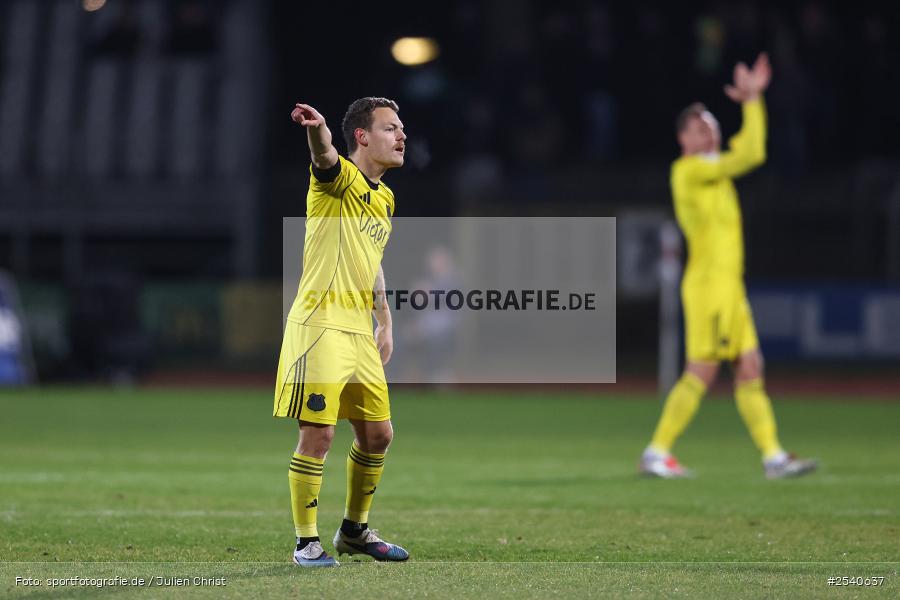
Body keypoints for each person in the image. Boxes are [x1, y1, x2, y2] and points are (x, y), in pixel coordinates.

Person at [640, 54, 817, 480]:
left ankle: (773, 457)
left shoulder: (714, 172)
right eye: (700, 129)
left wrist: (753, 100)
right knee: (702, 370)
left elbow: (748, 152)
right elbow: (750, 154)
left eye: (713, 127)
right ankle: (656, 451)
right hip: (708, 286)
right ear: (683, 138)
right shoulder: (687, 171)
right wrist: (752, 101)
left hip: (729, 286)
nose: (710, 133)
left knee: (750, 368)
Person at [274, 97, 410, 567]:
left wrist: (385, 320)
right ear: (362, 137)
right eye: (391, 128)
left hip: (358, 331)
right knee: (319, 435)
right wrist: (317, 129)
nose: (402, 136)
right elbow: (324, 156)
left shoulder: (385, 198)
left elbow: (372, 263)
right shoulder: (337, 180)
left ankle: (354, 531)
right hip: (321, 326)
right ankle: (305, 543)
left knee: (378, 435)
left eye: (402, 129)